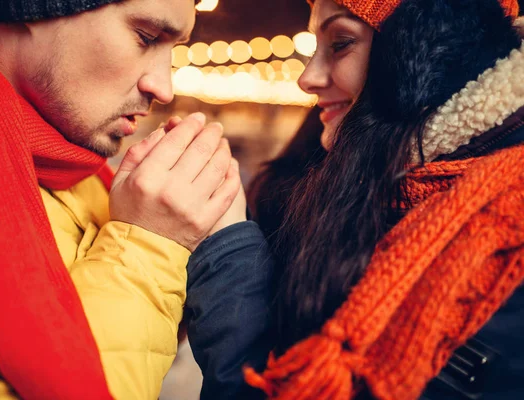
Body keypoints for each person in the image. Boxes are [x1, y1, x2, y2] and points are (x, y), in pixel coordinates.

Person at [185, 0, 524, 398]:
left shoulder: (503, 224)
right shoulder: (377, 177)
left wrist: (226, 246)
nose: (306, 78)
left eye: (341, 42)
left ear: (428, 48)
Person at [0, 0, 245, 399]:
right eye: (146, 37)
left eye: (173, 50)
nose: (164, 87)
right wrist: (149, 245)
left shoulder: (79, 171)